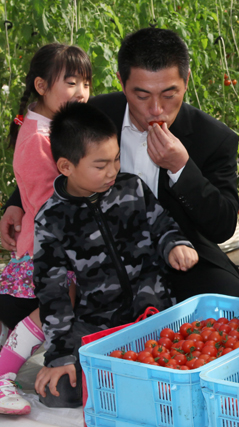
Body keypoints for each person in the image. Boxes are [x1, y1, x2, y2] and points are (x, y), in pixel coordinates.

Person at [1, 28, 239, 302]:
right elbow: (52, 161)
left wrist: (181, 167)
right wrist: (16, 203)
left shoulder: (213, 137)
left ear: (186, 80)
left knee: (231, 301)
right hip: (99, 255)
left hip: (182, 254)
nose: (156, 109)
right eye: (142, 96)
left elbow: (223, 225)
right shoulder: (93, 114)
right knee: (26, 304)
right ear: (121, 81)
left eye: (169, 94)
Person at [33, 102, 198, 408]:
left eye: (117, 159)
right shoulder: (51, 219)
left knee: (193, 358)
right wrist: (60, 356)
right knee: (60, 391)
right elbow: (51, 293)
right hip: (99, 327)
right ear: (66, 167)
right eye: (100, 165)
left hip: (154, 315)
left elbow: (162, 224)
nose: (113, 171)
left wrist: (175, 245)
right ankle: (124, 378)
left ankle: (131, 380)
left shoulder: (131, 188)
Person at [0, 43, 91, 416]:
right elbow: (47, 202)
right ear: (40, 85)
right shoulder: (39, 140)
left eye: (86, 83)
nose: (82, 93)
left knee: (57, 305)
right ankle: (3, 374)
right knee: (57, 304)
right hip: (48, 247)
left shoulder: (47, 127)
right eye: (71, 83)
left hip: (51, 243)